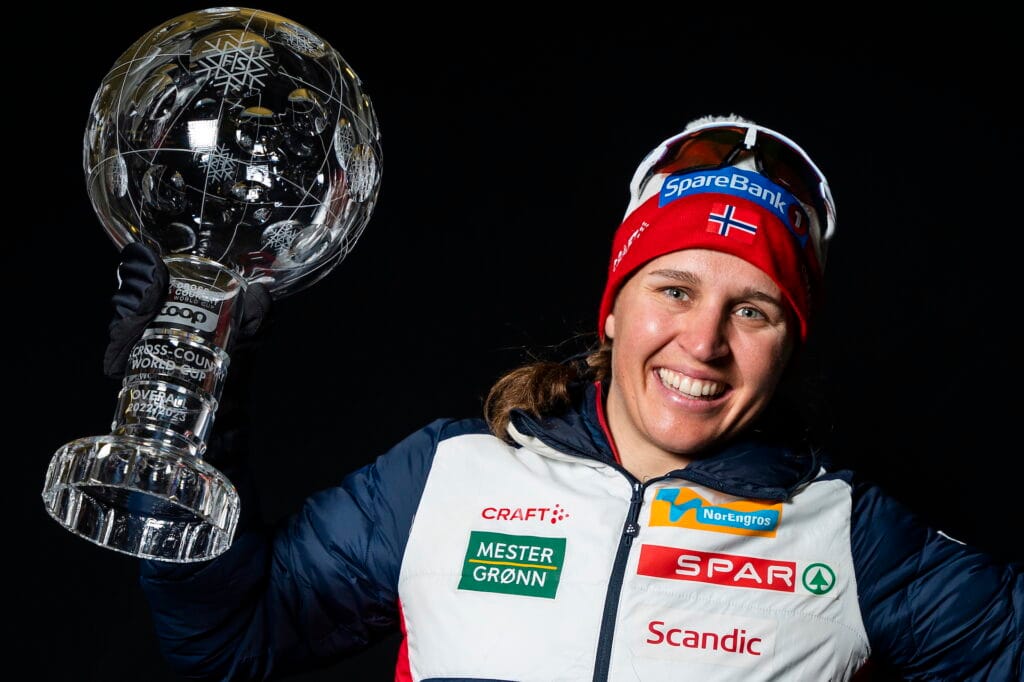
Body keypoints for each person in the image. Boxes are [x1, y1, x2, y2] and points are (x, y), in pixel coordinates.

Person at [105, 114, 1022, 681]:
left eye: (753, 309)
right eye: (673, 291)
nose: (703, 343)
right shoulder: (446, 476)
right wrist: (193, 422)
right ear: (614, 310)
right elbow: (230, 642)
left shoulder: (850, 538)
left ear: (790, 345)